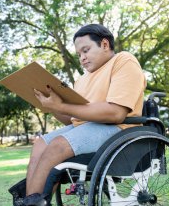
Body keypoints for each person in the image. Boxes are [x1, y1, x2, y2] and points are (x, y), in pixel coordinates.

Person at [11, 24, 146, 206]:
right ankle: (32, 201)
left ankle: (34, 202)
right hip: (87, 129)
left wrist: (62, 105)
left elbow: (116, 113)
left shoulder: (123, 60)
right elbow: (73, 119)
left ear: (105, 44)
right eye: (79, 55)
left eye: (86, 50)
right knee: (41, 143)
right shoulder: (81, 80)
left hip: (119, 128)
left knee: (58, 145)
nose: (82, 58)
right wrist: (52, 106)